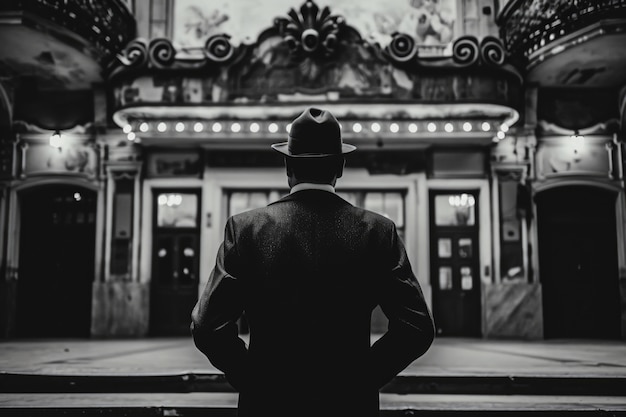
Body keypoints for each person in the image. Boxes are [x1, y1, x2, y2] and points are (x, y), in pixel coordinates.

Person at [191, 107, 435, 417]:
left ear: (288, 166)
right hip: (349, 404)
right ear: (341, 166)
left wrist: (252, 377)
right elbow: (417, 327)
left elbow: (206, 325)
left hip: (268, 403)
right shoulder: (377, 231)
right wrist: (363, 377)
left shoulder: (246, 229)